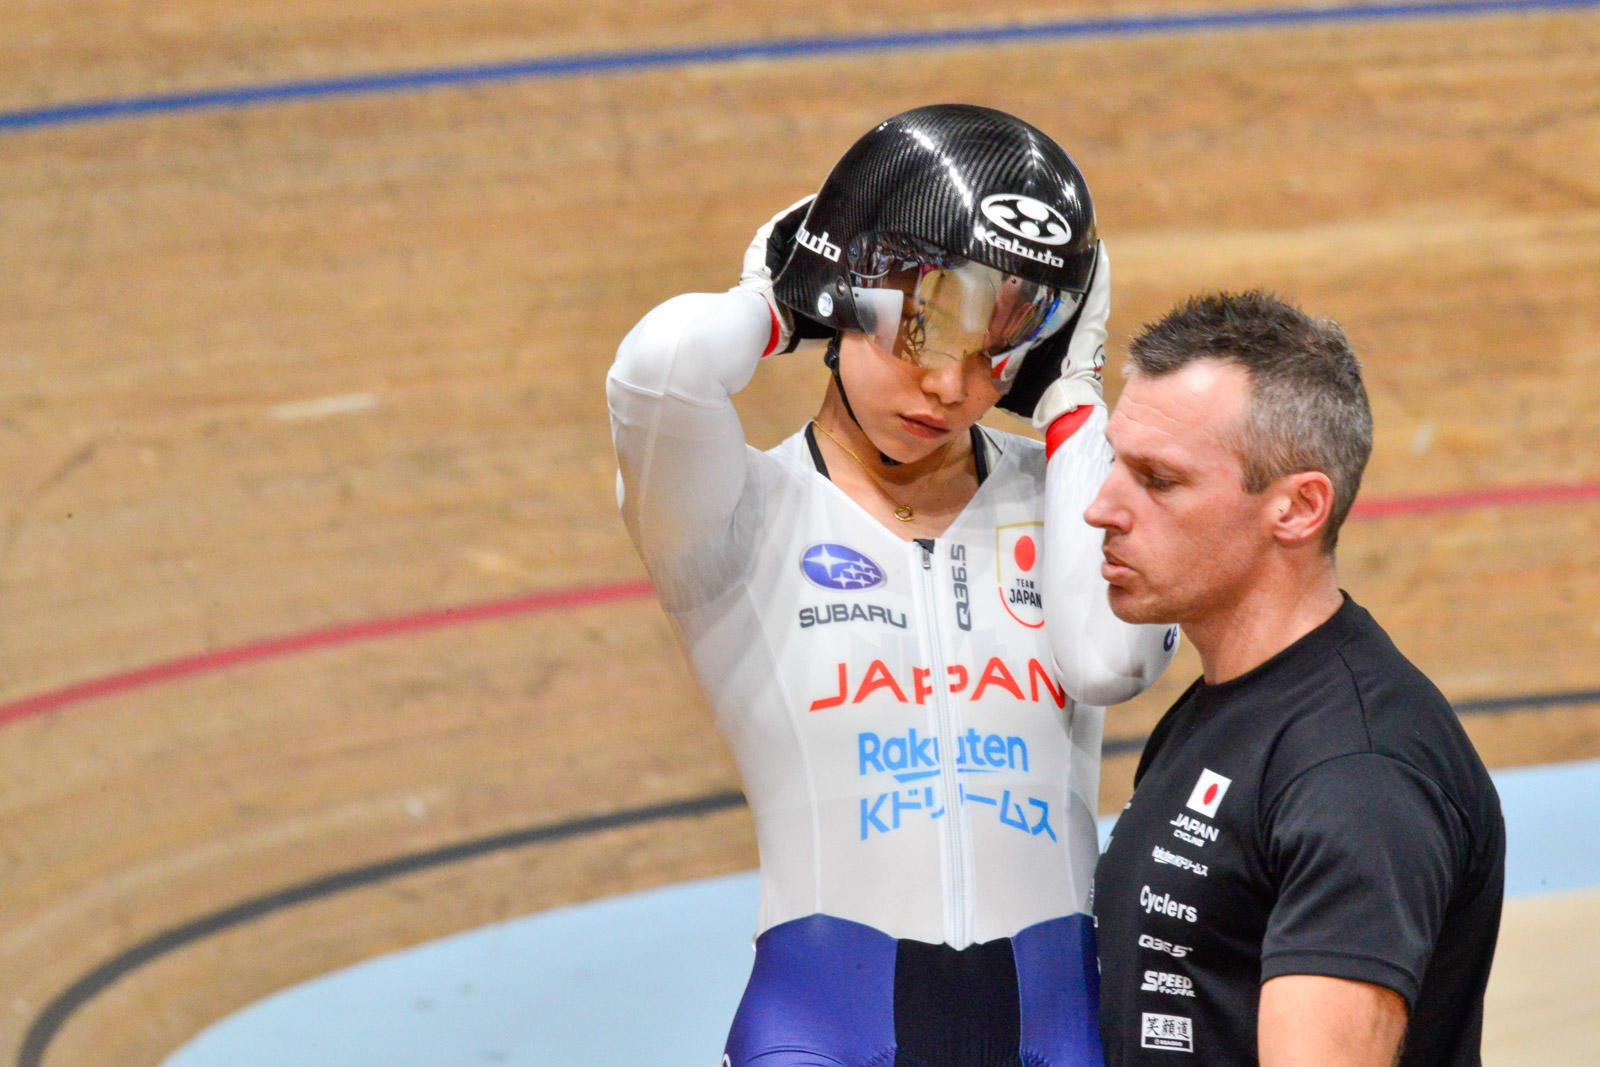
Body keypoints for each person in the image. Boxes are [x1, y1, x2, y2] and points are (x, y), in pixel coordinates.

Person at [607, 104, 1178, 1066]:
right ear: (842, 297)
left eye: (992, 349)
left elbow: (1111, 657)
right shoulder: (734, 514)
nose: (950, 388)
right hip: (827, 1026)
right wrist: (776, 296)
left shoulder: (1061, 493)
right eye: (921, 331)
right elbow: (659, 372)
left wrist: (1075, 395)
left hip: (1061, 1020)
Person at [1085, 291, 1505, 1065]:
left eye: (1158, 479)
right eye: (1115, 462)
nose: (1102, 507)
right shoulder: (1221, 707)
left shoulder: (1358, 774)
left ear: (1298, 507)